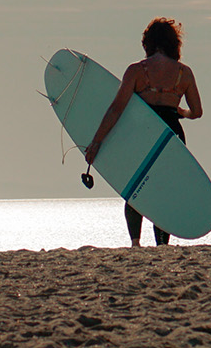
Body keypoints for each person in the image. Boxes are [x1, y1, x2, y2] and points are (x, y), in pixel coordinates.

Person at [84, 17, 204, 245]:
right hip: (172, 135)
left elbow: (116, 109)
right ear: (173, 43)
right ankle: (162, 244)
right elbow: (197, 111)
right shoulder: (184, 73)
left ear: (148, 43)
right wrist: (180, 111)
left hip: (142, 135)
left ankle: (136, 243)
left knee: (136, 186)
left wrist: (97, 141)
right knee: (164, 190)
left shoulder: (137, 71)